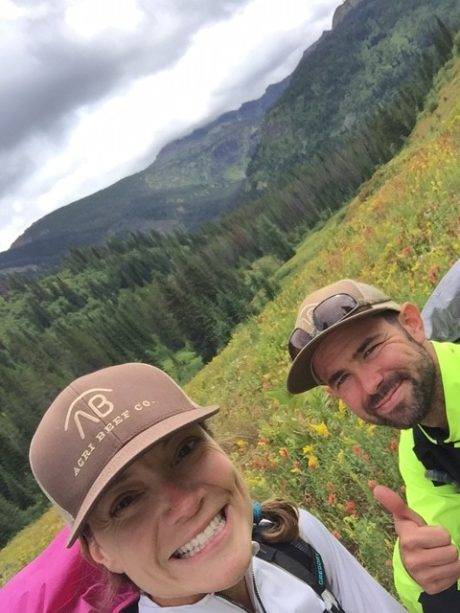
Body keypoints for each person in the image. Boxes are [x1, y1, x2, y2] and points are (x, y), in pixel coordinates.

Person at [15, 362, 405, 612]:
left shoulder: (292, 534)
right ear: (99, 551)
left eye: (185, 450)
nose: (183, 503)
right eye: (127, 500)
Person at [286, 277, 460, 613]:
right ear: (334, 395)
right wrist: (431, 579)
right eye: (342, 378)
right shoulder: (420, 448)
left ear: (412, 323)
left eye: (370, 349)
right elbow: (426, 571)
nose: (369, 385)